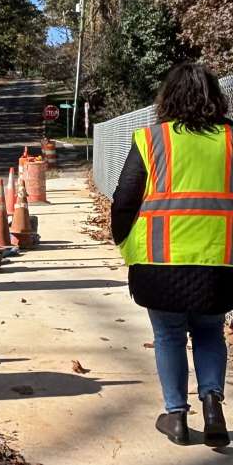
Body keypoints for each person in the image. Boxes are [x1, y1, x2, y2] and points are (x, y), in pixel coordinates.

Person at [112, 62, 232, 448]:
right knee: (211, 331)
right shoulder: (231, 140)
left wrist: (123, 242)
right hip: (219, 262)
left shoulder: (151, 140)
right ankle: (213, 403)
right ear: (216, 98)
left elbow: (124, 200)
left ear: (168, 98)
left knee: (168, 336)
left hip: (160, 263)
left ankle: (176, 415)